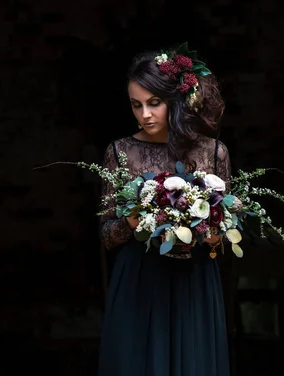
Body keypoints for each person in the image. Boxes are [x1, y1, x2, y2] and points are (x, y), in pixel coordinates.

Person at [97, 43, 232, 376]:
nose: (145, 114)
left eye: (154, 103)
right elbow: (106, 237)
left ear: (176, 101)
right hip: (139, 282)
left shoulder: (214, 153)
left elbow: (224, 242)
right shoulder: (120, 152)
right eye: (136, 105)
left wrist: (214, 239)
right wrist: (130, 221)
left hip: (195, 281)